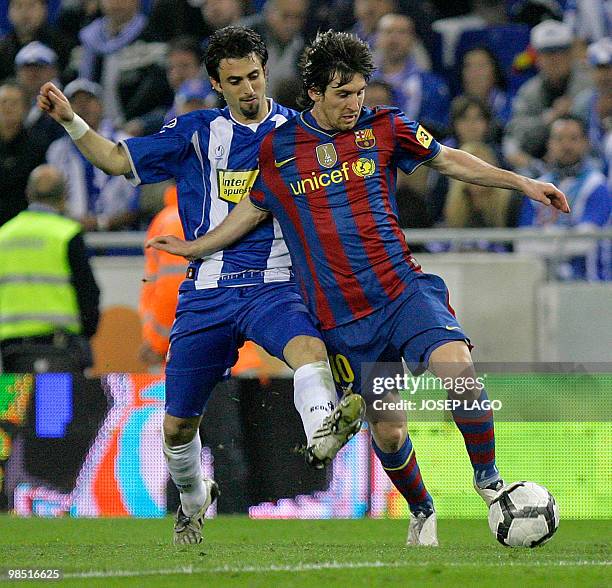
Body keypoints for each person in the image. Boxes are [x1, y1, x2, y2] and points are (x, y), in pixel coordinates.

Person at [148, 30, 570, 547]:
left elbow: (449, 159)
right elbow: (252, 209)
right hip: (344, 319)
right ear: (316, 94)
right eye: (343, 94)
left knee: (457, 368)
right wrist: (197, 249)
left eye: (360, 91)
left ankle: (491, 484)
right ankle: (421, 510)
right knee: (390, 431)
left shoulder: (386, 127)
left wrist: (523, 183)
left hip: (402, 289)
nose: (355, 103)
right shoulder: (280, 149)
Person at [38, 25, 365, 545]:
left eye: (255, 76)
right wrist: (72, 122)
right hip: (206, 293)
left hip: (272, 285)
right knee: (177, 429)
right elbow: (117, 161)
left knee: (308, 349)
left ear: (265, 73)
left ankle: (324, 429)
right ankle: (193, 495)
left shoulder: (301, 131)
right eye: (235, 80)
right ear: (217, 82)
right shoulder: (194, 132)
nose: (249, 89)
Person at [0, 165, 100, 373]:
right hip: (60, 346)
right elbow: (88, 291)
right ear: (64, 196)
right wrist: (86, 333)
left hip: (11, 348)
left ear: (28, 194)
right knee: (55, 405)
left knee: (18, 404)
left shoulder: (4, 235)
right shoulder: (67, 233)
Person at [518, 115, 611, 281]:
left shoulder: (597, 185)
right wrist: (563, 238)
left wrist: (546, 238)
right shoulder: (536, 186)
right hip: (543, 284)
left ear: (585, 143)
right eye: (559, 139)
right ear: (549, 144)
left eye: (573, 139)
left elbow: (584, 242)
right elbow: (523, 244)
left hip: (588, 283)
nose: (566, 145)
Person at [46, 79, 139, 232]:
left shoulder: (126, 143)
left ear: (101, 105)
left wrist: (102, 223)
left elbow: (139, 199)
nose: (83, 106)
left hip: (120, 236)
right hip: (70, 232)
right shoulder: (57, 150)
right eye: (75, 102)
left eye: (89, 100)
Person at [0, 81, 46, 227]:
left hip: (26, 225)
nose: (7, 108)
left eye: (14, 103)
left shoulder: (38, 145)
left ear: (25, 108)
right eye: (3, 102)